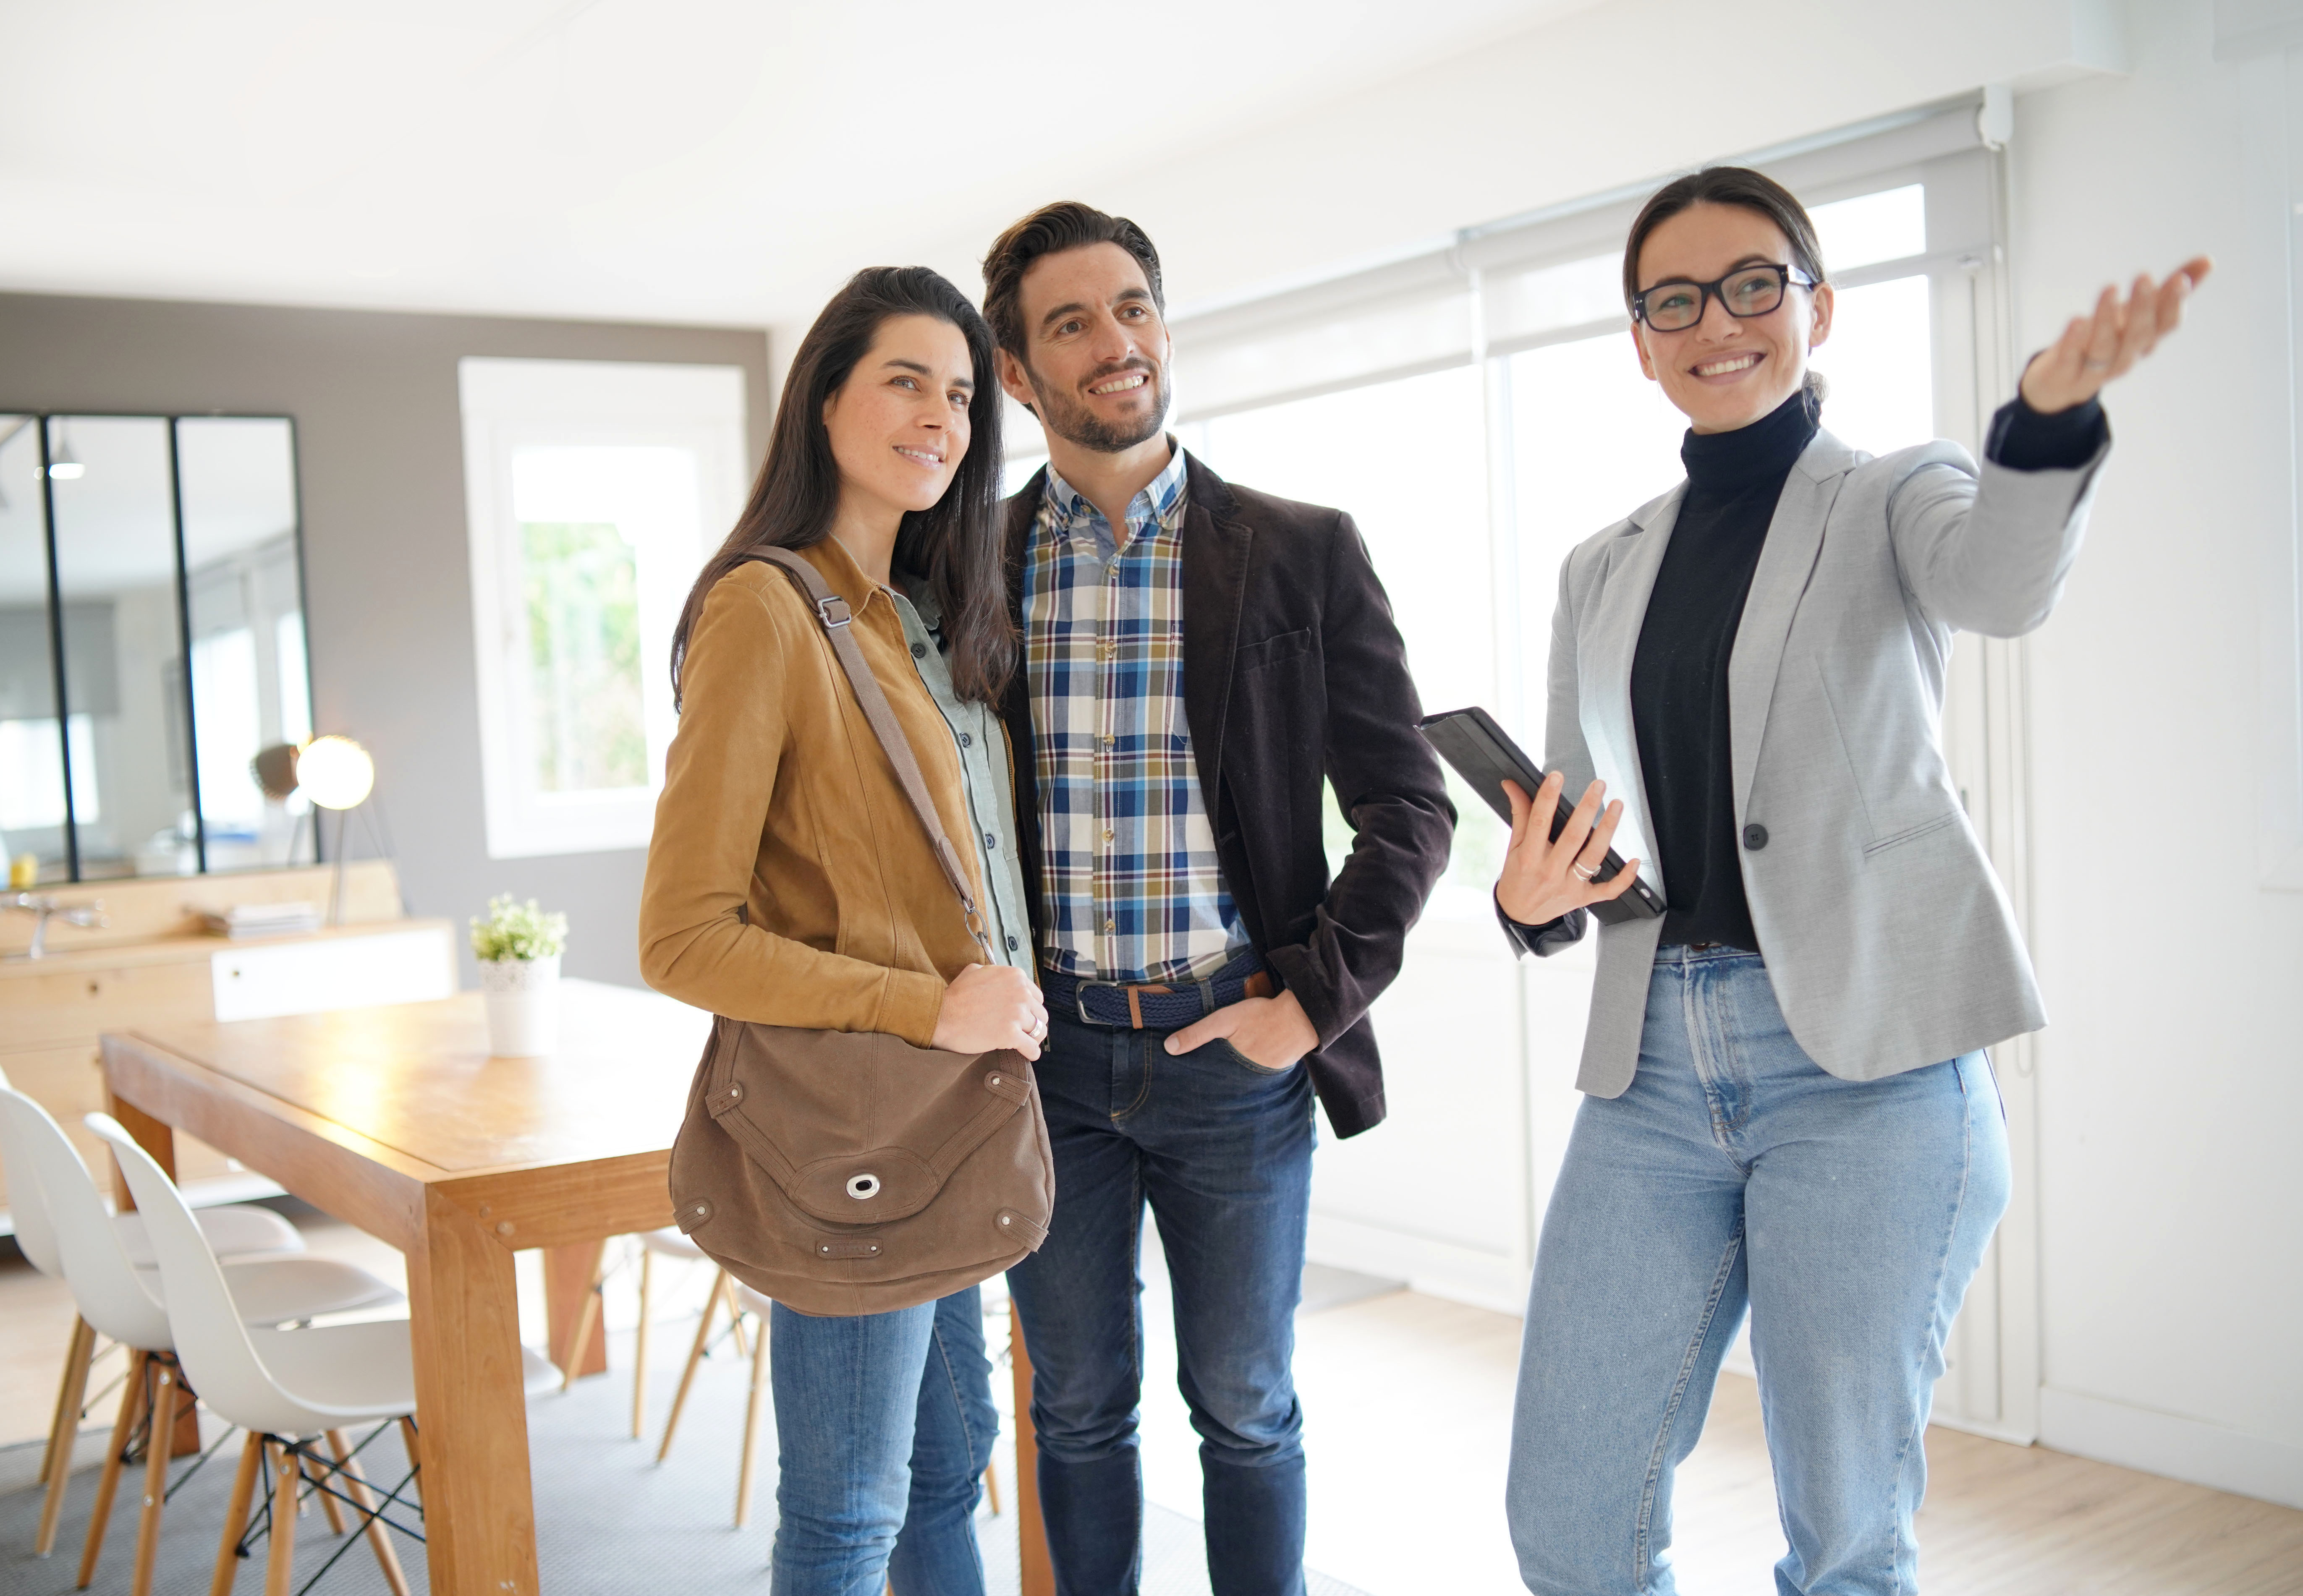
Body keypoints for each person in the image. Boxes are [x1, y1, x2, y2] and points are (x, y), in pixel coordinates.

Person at [1493, 165, 2209, 1595]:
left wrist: (2049, 415)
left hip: (1869, 1073)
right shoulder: (1600, 566)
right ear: (1640, 340)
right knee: (1569, 1518)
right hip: (1650, 1074)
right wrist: (1529, 897)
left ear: (1819, 305)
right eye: (1674, 300)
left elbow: (2004, 583)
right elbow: (1583, 831)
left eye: (1755, 283)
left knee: (1845, 1536)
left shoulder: (1899, 492)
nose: (1719, 321)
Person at [980, 201, 1454, 1595]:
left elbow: (1409, 807)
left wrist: (1308, 1001)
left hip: (1232, 1058)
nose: (1114, 340)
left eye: (1132, 306)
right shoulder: (967, 570)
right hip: (1046, 1064)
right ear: (1017, 372)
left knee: (1246, 1408)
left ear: (1166, 325)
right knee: (1073, 1406)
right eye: (1070, 321)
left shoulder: (1302, 548)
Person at [638, 265, 1049, 1596]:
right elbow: (683, 936)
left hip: (942, 1119)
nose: (942, 416)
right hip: (857, 1132)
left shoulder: (900, 621)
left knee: (947, 1465)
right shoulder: (766, 608)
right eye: (904, 381)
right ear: (823, 403)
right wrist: (928, 1005)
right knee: (845, 1516)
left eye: (962, 393)